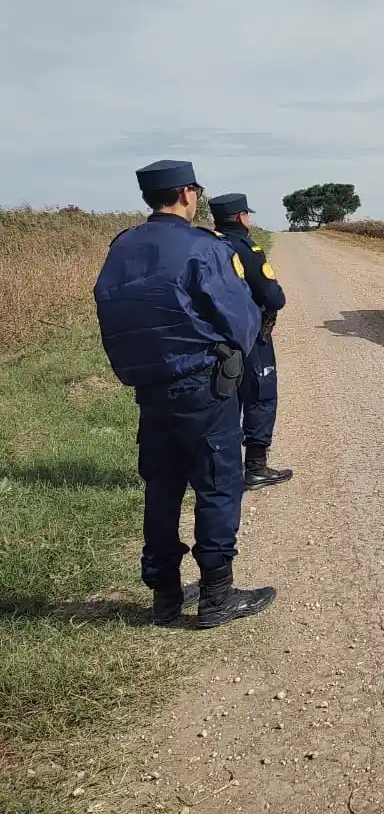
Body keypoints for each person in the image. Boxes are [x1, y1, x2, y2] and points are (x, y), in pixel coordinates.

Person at [94, 160, 276, 630]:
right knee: (217, 483)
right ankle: (217, 596)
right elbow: (240, 318)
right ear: (187, 194)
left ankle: (165, 598)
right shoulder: (203, 248)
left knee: (163, 488)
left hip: (150, 388)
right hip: (203, 385)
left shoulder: (121, 247)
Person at [208, 192, 294, 491]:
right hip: (249, 335)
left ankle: (213, 468)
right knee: (260, 393)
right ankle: (255, 467)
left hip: (211, 338)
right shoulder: (246, 247)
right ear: (241, 217)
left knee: (219, 397)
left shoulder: (206, 244)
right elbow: (271, 295)